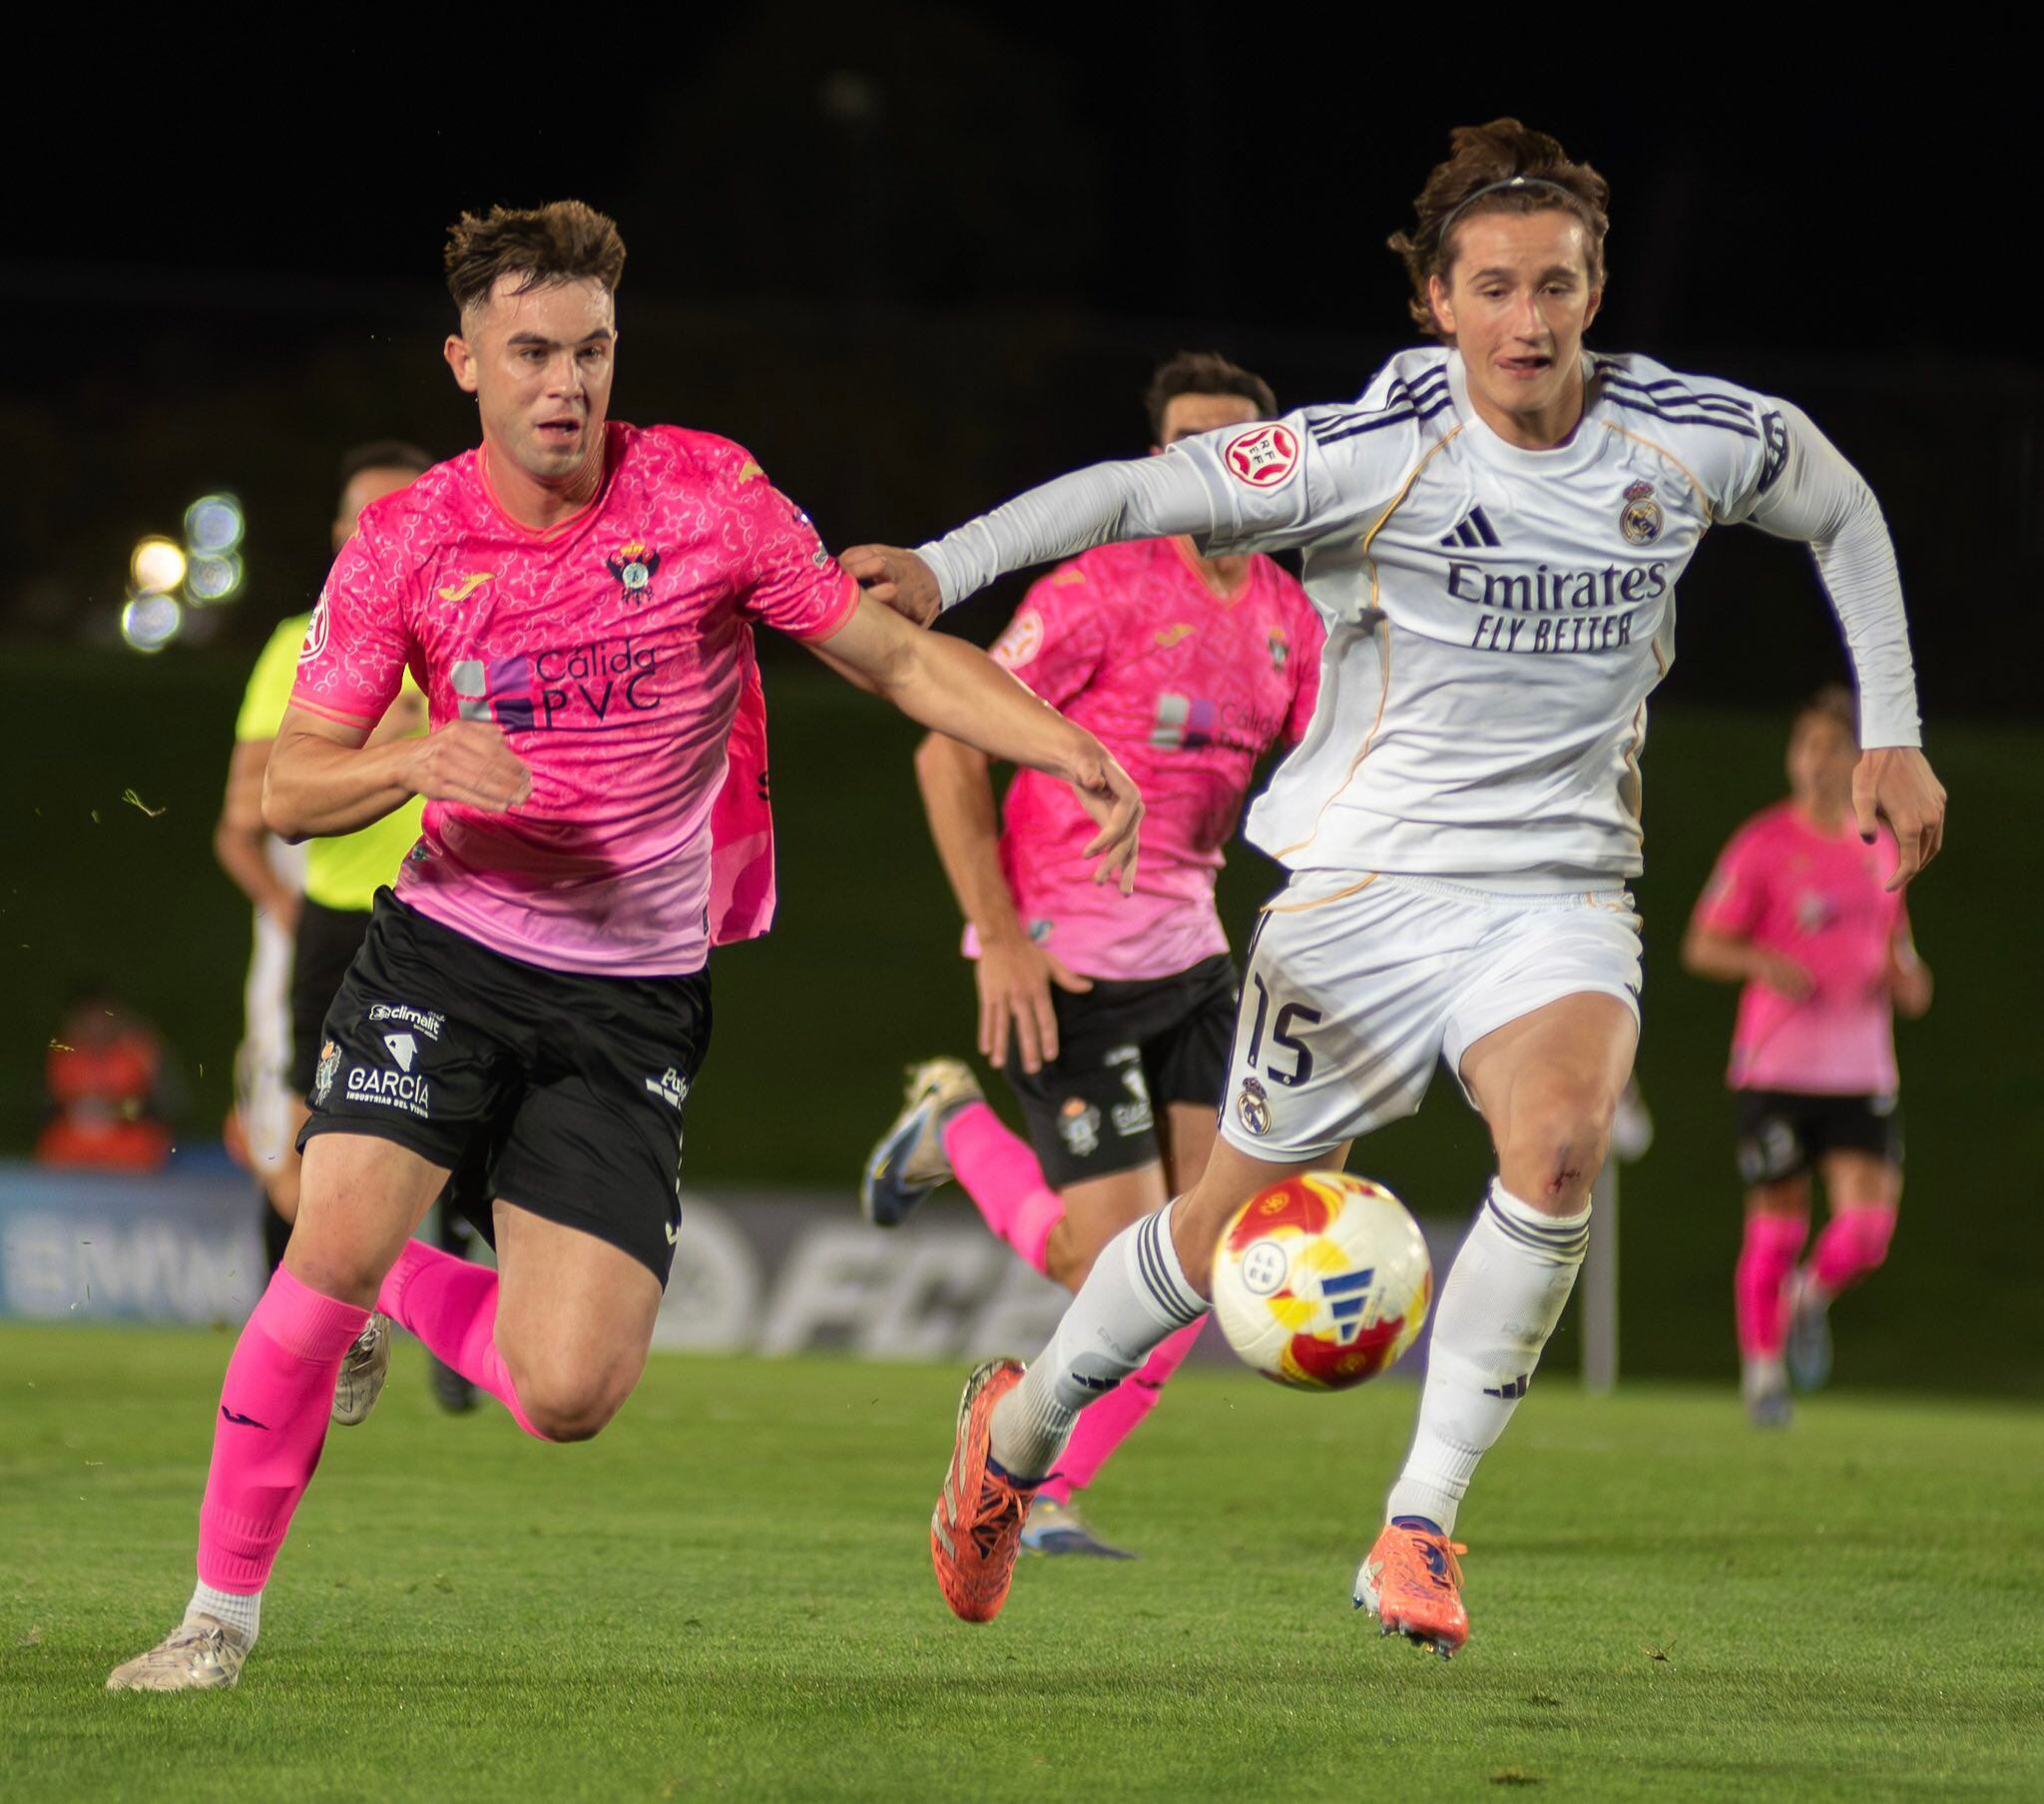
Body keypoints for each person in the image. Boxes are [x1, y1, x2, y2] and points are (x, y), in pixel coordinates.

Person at [844, 118, 1945, 1656]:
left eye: (1558, 284)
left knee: (1557, 1152)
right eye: (1494, 288)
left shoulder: (1690, 436)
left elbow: (1841, 506)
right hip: (1362, 895)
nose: (1530, 320)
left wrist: (1890, 730)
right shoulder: (1366, 451)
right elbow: (1127, 493)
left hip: (1559, 892)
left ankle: (1418, 1528)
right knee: (1223, 1227)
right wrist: (947, 567)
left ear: (1597, 283)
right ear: (1438, 300)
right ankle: (1014, 1440)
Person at [107, 199, 1142, 1693]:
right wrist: (414, 761)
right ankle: (216, 1619)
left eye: (590, 350)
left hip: (632, 996)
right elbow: (288, 786)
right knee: (323, 1245)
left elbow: (899, 653)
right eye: (531, 352)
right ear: (466, 362)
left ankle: (408, 1289)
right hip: (448, 951)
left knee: (570, 1395)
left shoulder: (709, 497)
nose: (566, 385)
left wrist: (1070, 749)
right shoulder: (404, 544)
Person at [861, 353, 1323, 1559]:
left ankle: (1044, 1484)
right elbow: (943, 748)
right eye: (1182, 446)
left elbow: (1337, 772)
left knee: (1201, 1254)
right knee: (1096, 1256)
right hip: (1067, 960)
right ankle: (952, 1129)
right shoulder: (1097, 591)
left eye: (1232, 447)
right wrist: (1000, 938)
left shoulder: (1289, 617)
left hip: (1195, 961)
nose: (1207, 470)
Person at [216, 440, 489, 1412]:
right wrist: (405, 742)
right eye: (363, 513)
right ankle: (352, 1292)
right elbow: (258, 806)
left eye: (401, 507)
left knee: (466, 1122)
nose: (381, 527)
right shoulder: (298, 639)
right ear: (341, 532)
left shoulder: (478, 616)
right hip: (336, 920)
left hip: (457, 911)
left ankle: (427, 1281)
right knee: (298, 1144)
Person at [1683, 685, 1932, 1426]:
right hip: (1778, 1065)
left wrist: (1908, 979)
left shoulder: (1882, 846)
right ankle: (1762, 1377)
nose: (1812, 759)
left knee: (1867, 1234)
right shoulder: (1763, 843)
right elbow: (1702, 943)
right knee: (1778, 1225)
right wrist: (1761, 962)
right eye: (1804, 745)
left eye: (1828, 746)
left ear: (1861, 759)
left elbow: (1903, 958)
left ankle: (1806, 1297)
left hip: (1861, 1070)